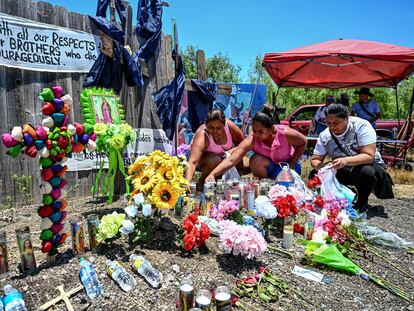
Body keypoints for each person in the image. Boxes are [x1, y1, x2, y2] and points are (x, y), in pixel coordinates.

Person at [310, 104, 393, 212]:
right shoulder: (325, 135)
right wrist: (324, 167)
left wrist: (345, 160)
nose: (332, 127)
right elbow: (315, 160)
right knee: (315, 174)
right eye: (328, 123)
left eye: (336, 123)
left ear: (347, 118)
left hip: (369, 168)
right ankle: (347, 196)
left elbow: (369, 156)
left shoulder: (362, 126)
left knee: (366, 172)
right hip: (344, 167)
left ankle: (362, 202)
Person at [205, 105, 307, 181]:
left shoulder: (285, 133)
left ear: (271, 129)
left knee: (283, 186)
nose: (256, 134)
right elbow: (232, 159)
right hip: (268, 166)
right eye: (254, 130)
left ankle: (276, 183)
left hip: (287, 166)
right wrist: (212, 174)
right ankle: (265, 185)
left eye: (261, 131)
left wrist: (293, 162)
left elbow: (303, 142)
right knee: (255, 160)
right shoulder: (252, 139)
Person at [185, 109, 246, 189]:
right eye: (211, 127)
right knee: (215, 160)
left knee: (245, 163)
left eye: (218, 128)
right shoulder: (203, 134)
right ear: (206, 124)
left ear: (224, 124)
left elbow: (243, 145)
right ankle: (202, 184)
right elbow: (193, 161)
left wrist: (231, 152)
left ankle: (228, 182)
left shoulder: (230, 127)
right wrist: (187, 183)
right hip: (203, 160)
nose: (214, 131)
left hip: (224, 157)